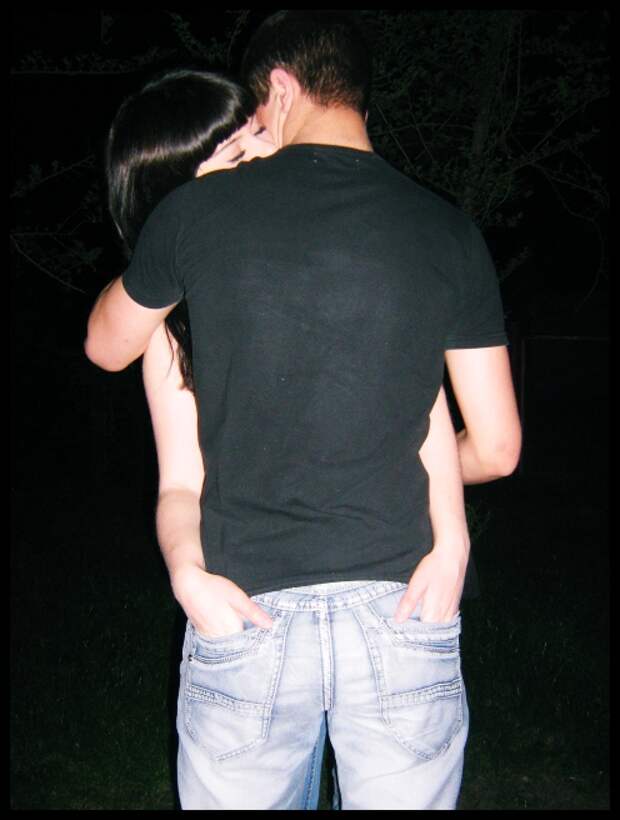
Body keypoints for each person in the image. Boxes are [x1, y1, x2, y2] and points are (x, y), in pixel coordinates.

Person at [87, 11, 521, 810]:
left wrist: (189, 577)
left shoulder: (193, 226)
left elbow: (109, 357)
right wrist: (449, 538)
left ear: (281, 90)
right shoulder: (443, 232)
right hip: (397, 601)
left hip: (249, 607)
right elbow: (481, 443)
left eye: (257, 115)